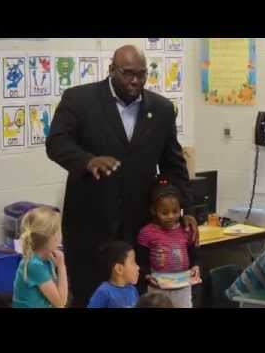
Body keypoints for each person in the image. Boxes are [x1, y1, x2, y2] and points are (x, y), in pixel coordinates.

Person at [45, 45, 196, 307]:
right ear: (111, 70)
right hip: (90, 226)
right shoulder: (79, 100)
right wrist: (87, 160)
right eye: (127, 74)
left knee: (136, 299)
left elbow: (173, 164)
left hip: (138, 229)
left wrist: (188, 208)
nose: (135, 81)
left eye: (141, 74)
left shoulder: (161, 109)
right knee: (91, 297)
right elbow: (56, 143)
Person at [136, 180, 200, 308]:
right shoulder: (146, 232)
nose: (171, 216)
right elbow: (141, 260)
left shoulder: (186, 229)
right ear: (154, 210)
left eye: (175, 211)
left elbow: (194, 253)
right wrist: (147, 275)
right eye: (164, 213)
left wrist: (196, 266)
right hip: (158, 288)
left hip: (182, 288)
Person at [12, 207, 68, 308]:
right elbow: (60, 303)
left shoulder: (46, 259)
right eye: (59, 231)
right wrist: (61, 266)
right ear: (52, 237)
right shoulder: (34, 265)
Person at [87, 240, 140, 308]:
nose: (138, 267)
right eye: (133, 262)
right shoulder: (104, 292)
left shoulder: (133, 290)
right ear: (119, 269)